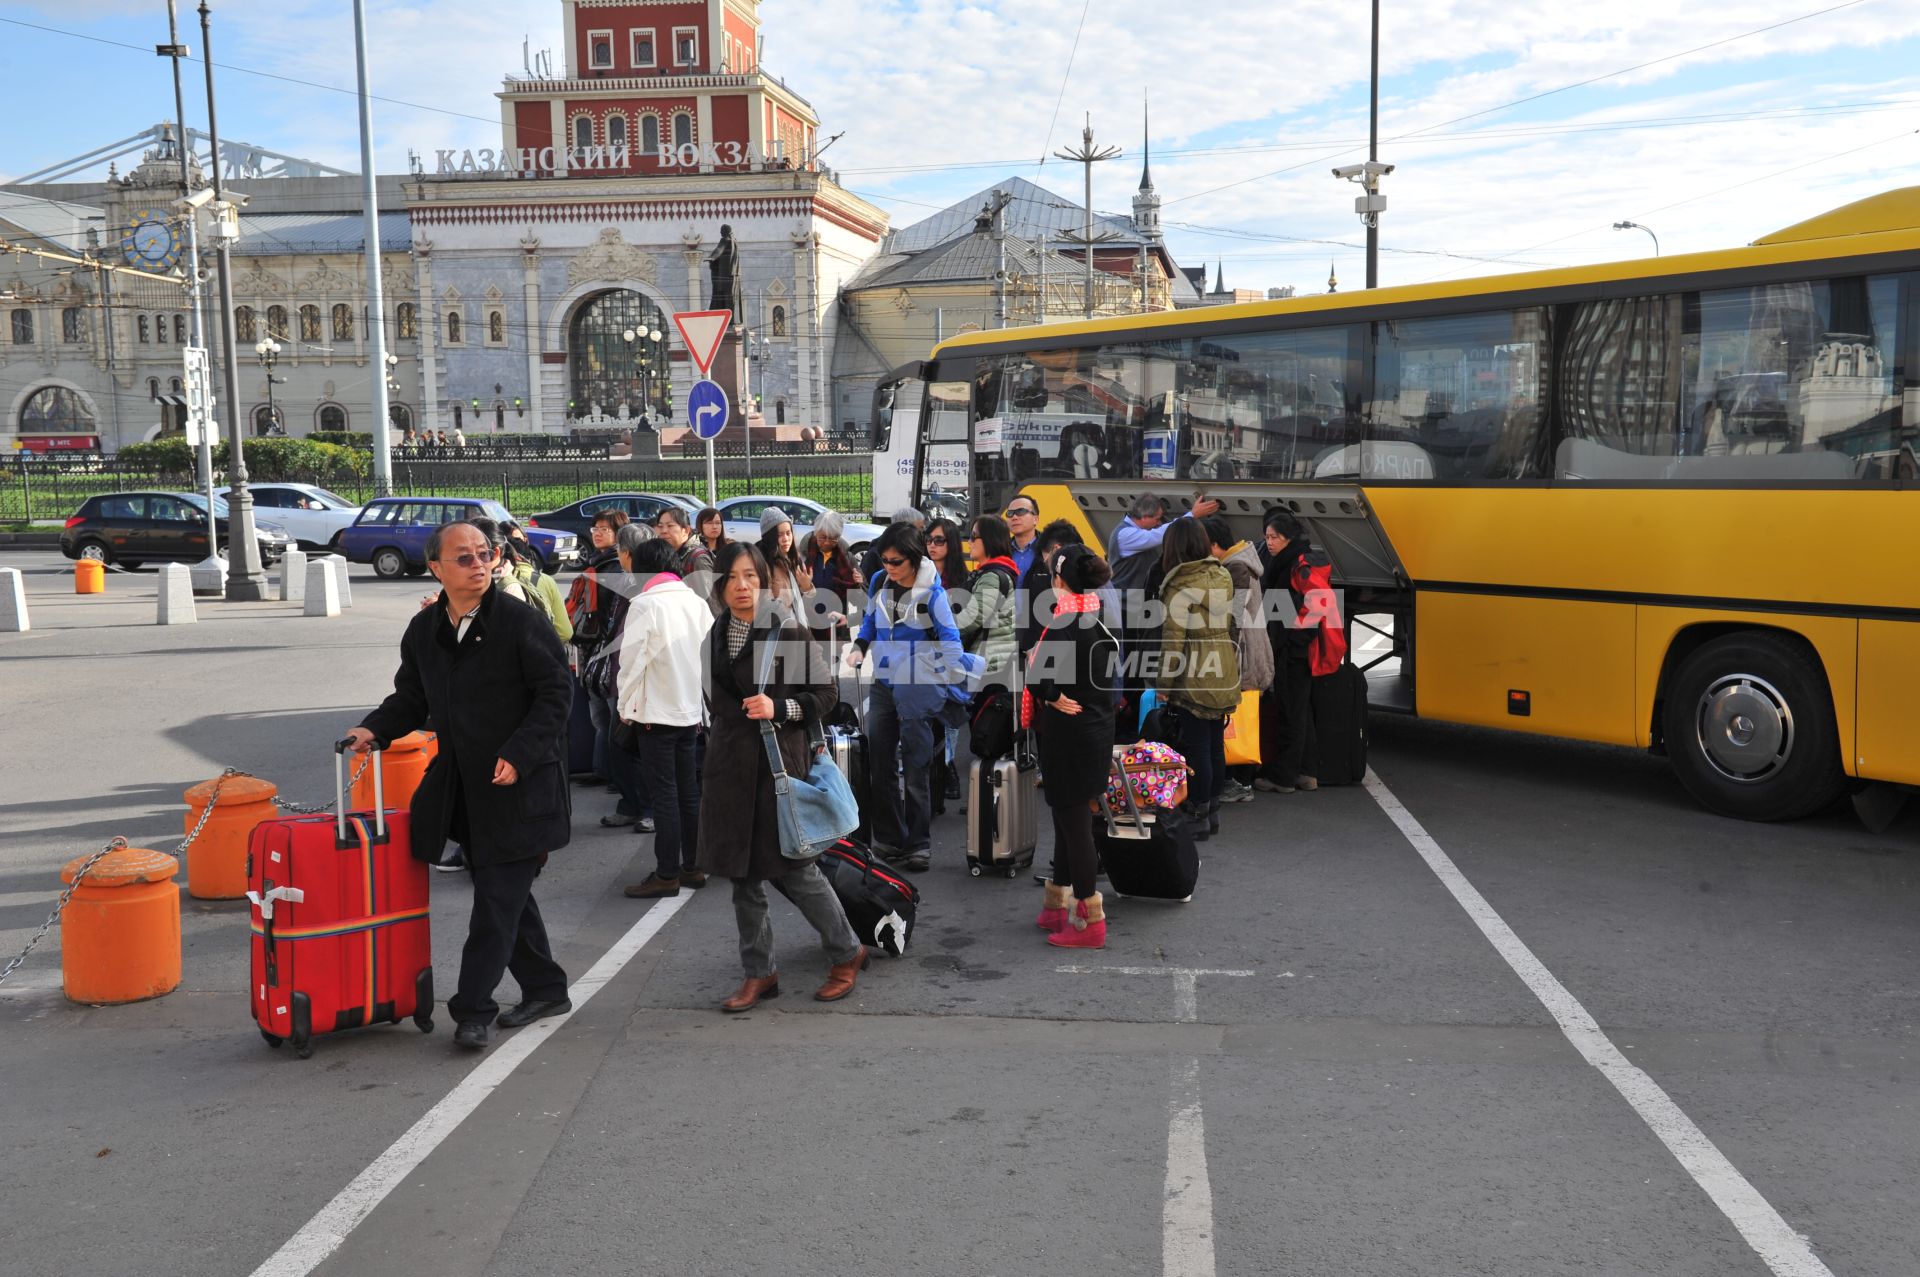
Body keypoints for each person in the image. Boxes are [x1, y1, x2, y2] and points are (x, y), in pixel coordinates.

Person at [349, 520, 573, 1051]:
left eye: (485, 554)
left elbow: (556, 695)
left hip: (520, 788)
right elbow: (411, 698)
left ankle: (473, 1008)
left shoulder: (520, 621)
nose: (479, 564)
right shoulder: (424, 630)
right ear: (436, 569)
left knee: (494, 904)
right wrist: (373, 729)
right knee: (508, 899)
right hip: (465, 791)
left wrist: (519, 753)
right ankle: (545, 988)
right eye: (465, 558)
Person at [696, 542, 868, 1012]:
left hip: (775, 767)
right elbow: (715, 700)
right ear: (720, 585)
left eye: (750, 576)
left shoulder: (785, 631)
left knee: (797, 871)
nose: (742, 586)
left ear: (763, 580)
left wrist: (781, 708)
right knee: (742, 879)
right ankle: (760, 973)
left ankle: (847, 951)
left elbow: (826, 694)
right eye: (732, 577)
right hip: (728, 771)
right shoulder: (716, 632)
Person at [847, 522, 976, 870]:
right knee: (880, 763)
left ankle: (918, 844)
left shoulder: (933, 594)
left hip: (917, 686)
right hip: (884, 685)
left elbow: (951, 640)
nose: (888, 567)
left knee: (917, 767)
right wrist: (860, 646)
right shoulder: (879, 583)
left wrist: (958, 673)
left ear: (914, 559)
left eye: (895, 561)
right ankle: (889, 840)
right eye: (884, 560)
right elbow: (870, 623)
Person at [1028, 545, 1121, 949]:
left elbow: (1036, 676)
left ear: (1059, 580)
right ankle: (1056, 907)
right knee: (1070, 820)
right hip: (1097, 732)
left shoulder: (1064, 622)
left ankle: (1088, 919)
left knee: (1075, 827)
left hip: (1068, 736)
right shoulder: (1098, 616)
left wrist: (1048, 695)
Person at [616, 538, 713, 899]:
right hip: (689, 711)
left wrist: (624, 707)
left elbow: (631, 661)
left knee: (665, 797)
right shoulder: (695, 601)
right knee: (689, 792)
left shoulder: (645, 604)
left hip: (655, 712)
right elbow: (708, 657)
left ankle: (667, 873)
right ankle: (694, 865)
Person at [1156, 518, 1240, 838]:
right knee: (1215, 744)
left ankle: (1197, 813)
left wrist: (1164, 686)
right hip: (1223, 665)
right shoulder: (1222, 574)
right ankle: (1213, 811)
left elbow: (1173, 642)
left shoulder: (1179, 584)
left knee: (1197, 748)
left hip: (1195, 669)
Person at [1259, 509, 1332, 794]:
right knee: (1301, 711)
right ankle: (1306, 772)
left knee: (1291, 711)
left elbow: (1314, 608)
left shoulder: (1296, 565)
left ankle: (1283, 777)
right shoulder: (1296, 560)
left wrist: (1295, 643)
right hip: (1299, 646)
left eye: (1275, 537)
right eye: (1266, 537)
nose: (1270, 543)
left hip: (1295, 648)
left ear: (1288, 537)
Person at [1206, 515, 1273, 805]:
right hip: (1252, 648)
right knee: (1243, 717)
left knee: (1241, 719)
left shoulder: (1236, 567)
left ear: (1215, 545)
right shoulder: (1241, 561)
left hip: (1244, 652)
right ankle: (1239, 779)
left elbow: (1233, 615)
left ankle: (1240, 782)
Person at [953, 514, 1019, 683]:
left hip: (986, 664)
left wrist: (940, 627)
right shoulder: (993, 572)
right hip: (991, 660)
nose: (969, 542)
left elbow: (972, 618)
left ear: (990, 539)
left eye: (974, 536)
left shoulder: (992, 577)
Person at [1108, 491, 1223, 562]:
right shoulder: (1125, 535)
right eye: (1157, 519)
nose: (1158, 523)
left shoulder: (1130, 531)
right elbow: (1157, 535)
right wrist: (1192, 515)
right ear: (1144, 517)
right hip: (1127, 599)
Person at [800, 510, 861, 621]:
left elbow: (862, 602)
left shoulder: (847, 559)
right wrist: (804, 586)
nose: (827, 542)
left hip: (837, 623)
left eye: (833, 538)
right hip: (808, 622)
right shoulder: (804, 557)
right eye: (822, 537)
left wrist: (857, 585)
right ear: (816, 533)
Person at [653, 506, 716, 607]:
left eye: (670, 526)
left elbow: (711, 604)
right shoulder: (670, 555)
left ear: (686, 530)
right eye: (660, 526)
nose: (663, 531)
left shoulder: (698, 558)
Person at [860, 506, 926, 583]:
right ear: (905, 528)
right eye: (884, 560)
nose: (889, 567)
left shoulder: (928, 573)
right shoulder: (874, 554)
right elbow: (866, 587)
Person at [1004, 496, 1042, 578]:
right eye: (1010, 513)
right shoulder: (1001, 551)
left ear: (1035, 519)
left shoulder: (1049, 549)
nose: (1014, 517)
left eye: (1021, 511)